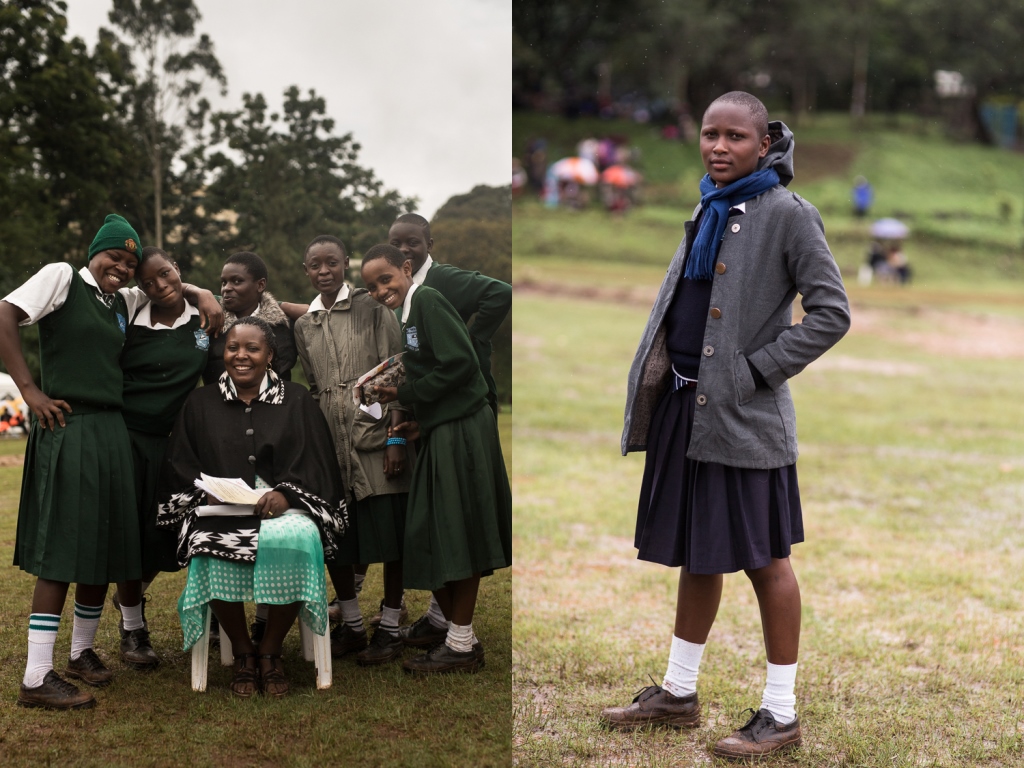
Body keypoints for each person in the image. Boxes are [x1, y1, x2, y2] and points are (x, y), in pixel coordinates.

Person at [604, 92, 851, 759]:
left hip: (744, 417)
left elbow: (832, 313)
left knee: (767, 562)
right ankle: (678, 694)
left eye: (735, 136)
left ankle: (781, 713)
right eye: (710, 133)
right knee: (697, 552)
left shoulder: (790, 215)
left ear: (764, 144)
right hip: (686, 411)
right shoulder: (709, 205)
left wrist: (753, 372)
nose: (719, 146)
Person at [156, 317, 347, 698]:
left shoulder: (296, 399)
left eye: (252, 348)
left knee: (297, 541)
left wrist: (288, 494)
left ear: (270, 355)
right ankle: (244, 651)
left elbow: (316, 462)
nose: (240, 356)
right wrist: (207, 492)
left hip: (286, 507)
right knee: (206, 546)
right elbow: (181, 462)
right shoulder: (200, 402)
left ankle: (270, 651)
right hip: (219, 507)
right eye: (232, 348)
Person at [360, 244, 512, 674]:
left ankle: (461, 644)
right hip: (442, 427)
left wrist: (403, 393)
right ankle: (460, 638)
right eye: (372, 287)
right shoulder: (406, 313)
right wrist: (420, 424)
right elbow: (439, 371)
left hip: (464, 429)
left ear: (407, 268)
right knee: (429, 531)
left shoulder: (427, 299)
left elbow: (461, 364)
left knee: (454, 529)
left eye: (386, 279)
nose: (380, 290)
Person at [293, 235, 412, 666]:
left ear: (345, 263)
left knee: (392, 536)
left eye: (332, 262)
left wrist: (396, 439)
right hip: (330, 442)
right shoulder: (304, 325)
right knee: (337, 538)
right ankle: (354, 626)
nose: (324, 271)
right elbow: (313, 384)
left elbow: (397, 371)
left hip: (376, 438)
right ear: (306, 270)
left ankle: (392, 627)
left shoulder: (373, 308)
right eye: (315, 265)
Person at [113, 247, 213, 669]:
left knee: (168, 534)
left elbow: (216, 381)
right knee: (130, 534)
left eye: (166, 274)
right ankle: (133, 628)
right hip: (126, 438)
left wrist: (203, 293)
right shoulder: (130, 314)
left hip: (176, 443)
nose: (159, 286)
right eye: (148, 282)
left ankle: (129, 597)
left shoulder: (205, 318)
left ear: (178, 270)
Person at [202, 251, 296, 385]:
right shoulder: (211, 322)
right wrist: (201, 293)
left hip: (278, 398)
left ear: (261, 285)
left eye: (237, 281)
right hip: (217, 398)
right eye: (224, 282)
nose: (226, 288)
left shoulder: (286, 326)